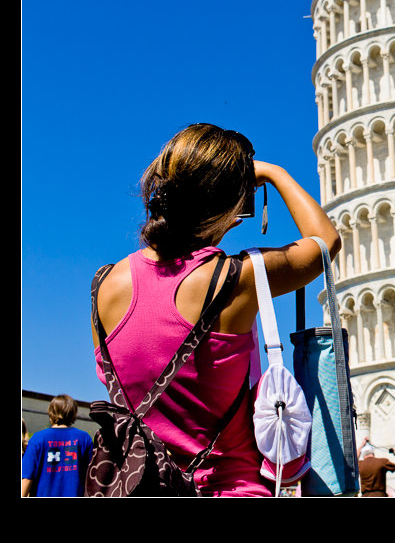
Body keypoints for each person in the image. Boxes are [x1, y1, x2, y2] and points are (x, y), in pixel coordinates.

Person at [91, 123, 340, 497]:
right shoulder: (233, 280)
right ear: (234, 202)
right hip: (229, 486)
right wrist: (274, 172)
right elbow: (325, 243)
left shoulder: (104, 286)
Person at [21, 394, 94, 497]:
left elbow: (27, 477)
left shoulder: (38, 439)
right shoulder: (84, 438)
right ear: (73, 413)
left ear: (51, 412)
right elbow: (91, 477)